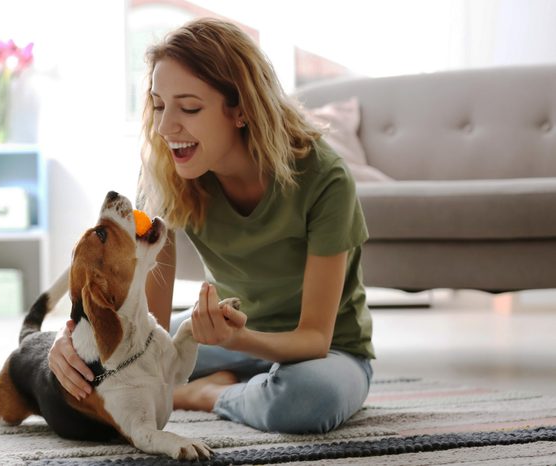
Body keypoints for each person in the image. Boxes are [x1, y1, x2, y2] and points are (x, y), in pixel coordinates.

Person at [48, 17, 374, 434]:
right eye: (160, 105)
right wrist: (71, 342)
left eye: (189, 108)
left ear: (240, 109)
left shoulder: (325, 178)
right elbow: (147, 320)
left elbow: (314, 338)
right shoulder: (165, 175)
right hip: (217, 333)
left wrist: (235, 341)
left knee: (309, 401)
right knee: (93, 369)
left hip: (326, 354)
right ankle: (243, 383)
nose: (166, 127)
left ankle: (207, 394)